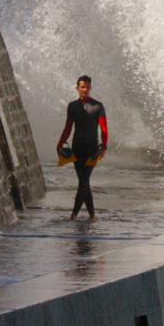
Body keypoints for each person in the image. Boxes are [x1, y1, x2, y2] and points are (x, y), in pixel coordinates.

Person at [56, 75, 108, 220]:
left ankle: (74, 214)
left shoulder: (97, 106)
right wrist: (60, 144)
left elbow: (104, 129)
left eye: (87, 87)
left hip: (92, 150)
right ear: (77, 88)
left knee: (84, 181)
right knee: (84, 182)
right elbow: (68, 128)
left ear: (90, 88)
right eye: (82, 87)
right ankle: (92, 215)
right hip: (77, 148)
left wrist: (103, 147)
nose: (85, 89)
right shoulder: (72, 106)